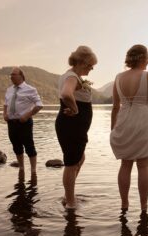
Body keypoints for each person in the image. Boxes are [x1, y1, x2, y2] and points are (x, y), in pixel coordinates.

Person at [110, 44, 148, 211]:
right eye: (147, 57)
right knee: (144, 165)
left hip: (124, 121)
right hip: (144, 122)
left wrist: (113, 128)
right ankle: (143, 206)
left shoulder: (118, 77)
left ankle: (124, 204)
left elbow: (115, 107)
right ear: (142, 58)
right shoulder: (147, 76)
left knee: (125, 164)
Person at [55, 46, 98, 209]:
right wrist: (75, 109)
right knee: (71, 163)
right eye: (90, 65)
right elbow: (67, 94)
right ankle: (71, 203)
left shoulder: (71, 75)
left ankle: (68, 195)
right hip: (71, 126)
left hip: (74, 127)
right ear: (81, 62)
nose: (91, 68)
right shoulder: (72, 77)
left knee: (79, 159)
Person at [3, 67, 43, 182]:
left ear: (21, 76)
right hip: (11, 122)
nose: (11, 76)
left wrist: (28, 115)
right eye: (10, 75)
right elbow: (5, 103)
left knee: (29, 145)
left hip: (24, 122)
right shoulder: (9, 90)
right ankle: (21, 168)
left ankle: (33, 171)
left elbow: (39, 105)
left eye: (13, 74)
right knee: (16, 146)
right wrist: (4, 114)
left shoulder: (30, 89)